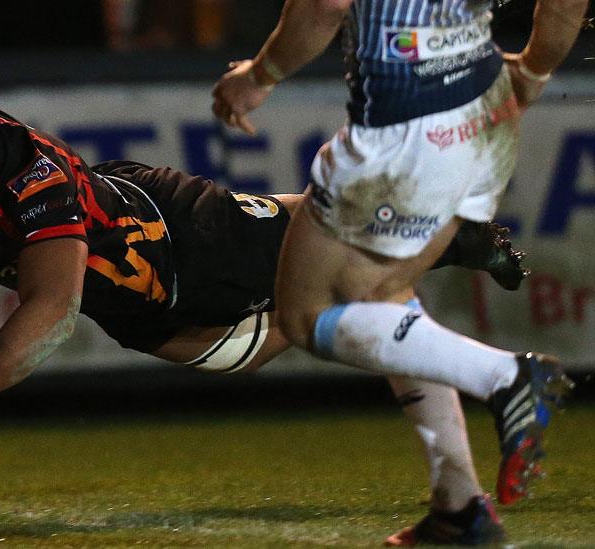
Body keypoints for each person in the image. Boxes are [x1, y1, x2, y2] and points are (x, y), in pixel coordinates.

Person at [0, 45, 526, 547]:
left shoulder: (30, 171)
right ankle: (418, 253)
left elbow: (53, 306)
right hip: (135, 301)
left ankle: (447, 257)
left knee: (336, 297)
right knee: (260, 343)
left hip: (183, 239)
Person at [211, 0, 588, 545]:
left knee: (309, 313)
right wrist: (533, 70)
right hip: (487, 108)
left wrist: (259, 75)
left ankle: (507, 378)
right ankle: (460, 509)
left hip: (410, 129)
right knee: (384, 298)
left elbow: (325, 6)